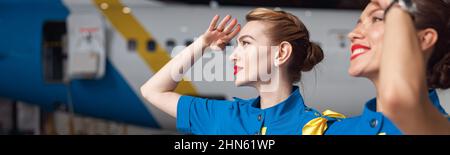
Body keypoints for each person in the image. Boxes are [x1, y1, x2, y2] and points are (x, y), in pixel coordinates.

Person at [140, 8, 328, 135]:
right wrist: (202, 44)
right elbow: (152, 91)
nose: (233, 56)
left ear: (281, 53)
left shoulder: (319, 128)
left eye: (245, 43)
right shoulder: (223, 116)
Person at [303, 0, 450, 135]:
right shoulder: (335, 130)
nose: (352, 34)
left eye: (377, 19)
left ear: (424, 39)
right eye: (358, 22)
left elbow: (399, 101)